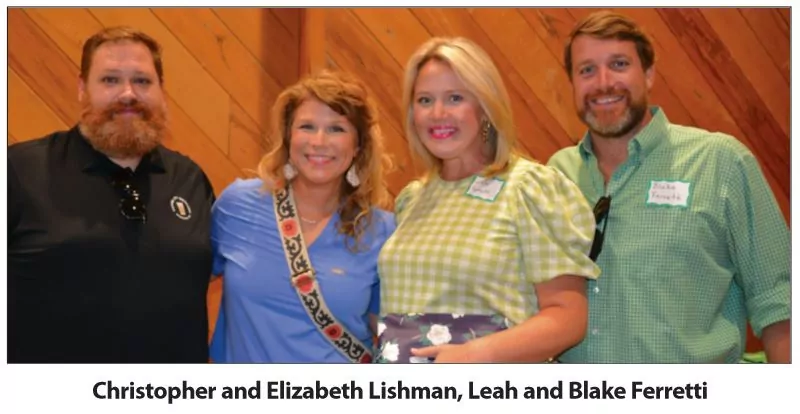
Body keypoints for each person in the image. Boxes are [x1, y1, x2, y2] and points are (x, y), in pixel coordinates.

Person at [547, 11, 791, 363]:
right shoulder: (556, 175)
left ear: (648, 74)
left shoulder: (720, 162)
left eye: (618, 64)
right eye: (587, 70)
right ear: (572, 83)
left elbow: (780, 301)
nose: (603, 82)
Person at [376, 37, 601, 364]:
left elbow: (568, 318)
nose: (437, 113)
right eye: (425, 100)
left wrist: (475, 354)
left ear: (485, 108)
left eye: (455, 98)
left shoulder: (529, 189)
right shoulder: (412, 198)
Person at [7, 26, 215, 363]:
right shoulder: (19, 170)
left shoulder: (189, 178)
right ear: (82, 88)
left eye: (142, 81)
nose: (128, 94)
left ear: (162, 90)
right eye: (110, 80)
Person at [209, 70, 395, 363]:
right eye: (307, 126)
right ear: (288, 138)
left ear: (358, 147)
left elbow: (392, 339)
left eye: (336, 129)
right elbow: (180, 289)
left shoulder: (380, 230)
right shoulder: (237, 206)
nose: (319, 141)